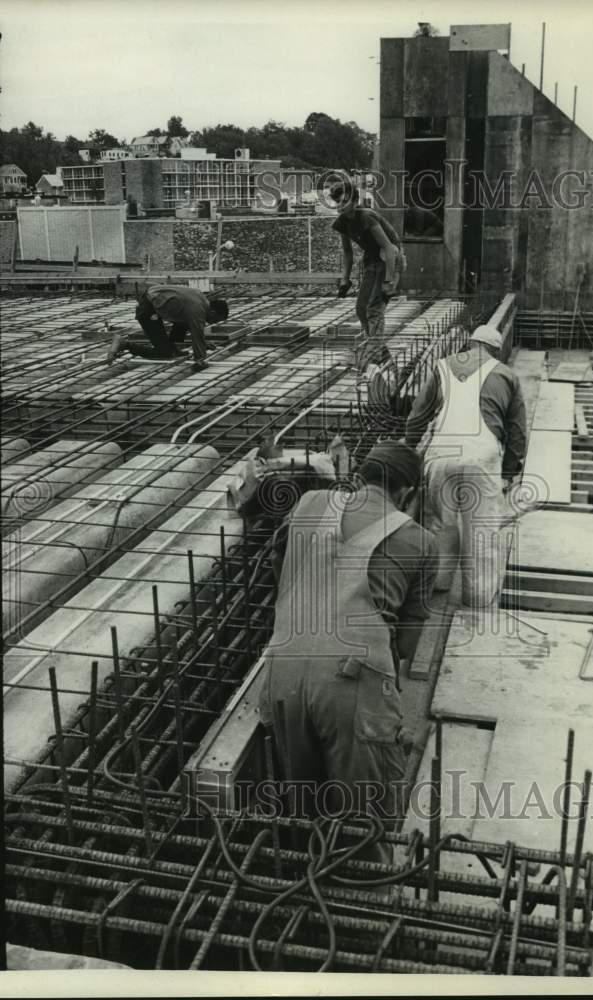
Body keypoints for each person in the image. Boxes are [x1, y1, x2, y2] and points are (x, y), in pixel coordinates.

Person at [259, 442, 438, 859]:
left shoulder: (308, 502)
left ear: (360, 477)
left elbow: (277, 565)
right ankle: (360, 905)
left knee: (302, 814)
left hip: (281, 672)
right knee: (362, 825)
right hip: (352, 683)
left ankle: (303, 895)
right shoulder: (421, 541)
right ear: (408, 494)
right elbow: (407, 645)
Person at [405, 325, 527, 607]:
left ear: (469, 345)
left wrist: (409, 452)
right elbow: (517, 431)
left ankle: (438, 583)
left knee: (439, 523)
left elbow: (416, 418)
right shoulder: (506, 375)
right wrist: (508, 474)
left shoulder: (442, 367)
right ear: (495, 351)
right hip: (481, 458)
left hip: (441, 455)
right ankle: (478, 597)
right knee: (481, 530)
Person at [329, 180, 405, 371]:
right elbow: (347, 253)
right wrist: (345, 280)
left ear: (355, 202)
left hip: (390, 258)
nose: (340, 205)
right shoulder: (342, 222)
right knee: (361, 309)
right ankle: (382, 353)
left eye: (345, 201)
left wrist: (389, 281)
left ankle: (373, 358)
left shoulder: (366, 217)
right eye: (337, 201)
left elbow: (388, 248)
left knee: (374, 308)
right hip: (372, 261)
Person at [107, 284, 229, 372]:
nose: (213, 323)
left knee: (185, 321)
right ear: (213, 312)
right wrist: (200, 360)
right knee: (164, 352)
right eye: (216, 320)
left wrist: (203, 343)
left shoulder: (201, 300)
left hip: (155, 298)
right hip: (147, 308)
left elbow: (194, 329)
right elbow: (197, 333)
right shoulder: (197, 311)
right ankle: (125, 344)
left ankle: (173, 347)